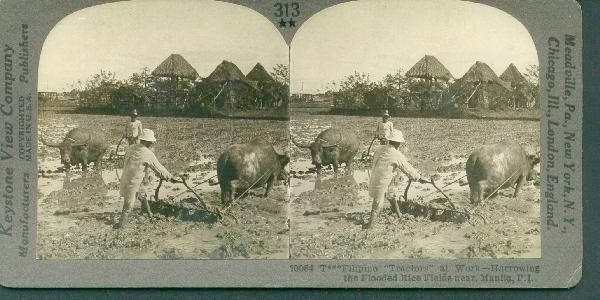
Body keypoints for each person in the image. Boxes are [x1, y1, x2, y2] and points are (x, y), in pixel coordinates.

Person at [364, 129, 423, 229]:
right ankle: (370, 228)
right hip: (381, 182)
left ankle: (399, 215)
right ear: (398, 142)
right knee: (377, 205)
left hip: (375, 178)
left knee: (391, 194)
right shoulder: (396, 154)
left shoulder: (380, 148)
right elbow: (407, 168)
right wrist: (419, 178)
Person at [117, 129, 174, 229]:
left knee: (142, 194)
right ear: (148, 141)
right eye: (151, 142)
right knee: (128, 206)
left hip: (125, 178)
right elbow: (158, 168)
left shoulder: (131, 148)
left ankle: (148, 213)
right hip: (133, 182)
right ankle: (121, 228)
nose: (152, 143)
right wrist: (170, 177)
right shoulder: (148, 153)